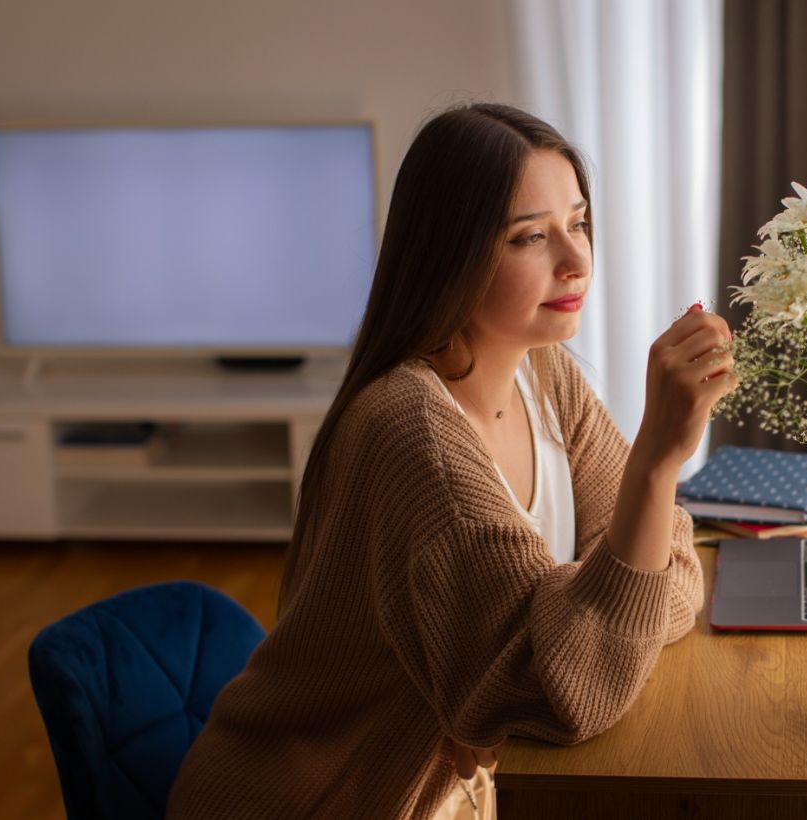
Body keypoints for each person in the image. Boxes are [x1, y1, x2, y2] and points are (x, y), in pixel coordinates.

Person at [166, 102, 737, 819]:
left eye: (579, 222)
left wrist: (521, 662)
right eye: (531, 237)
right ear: (451, 253)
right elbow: (571, 696)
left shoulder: (546, 374)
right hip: (317, 798)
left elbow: (668, 574)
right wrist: (655, 462)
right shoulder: (414, 437)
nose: (577, 260)